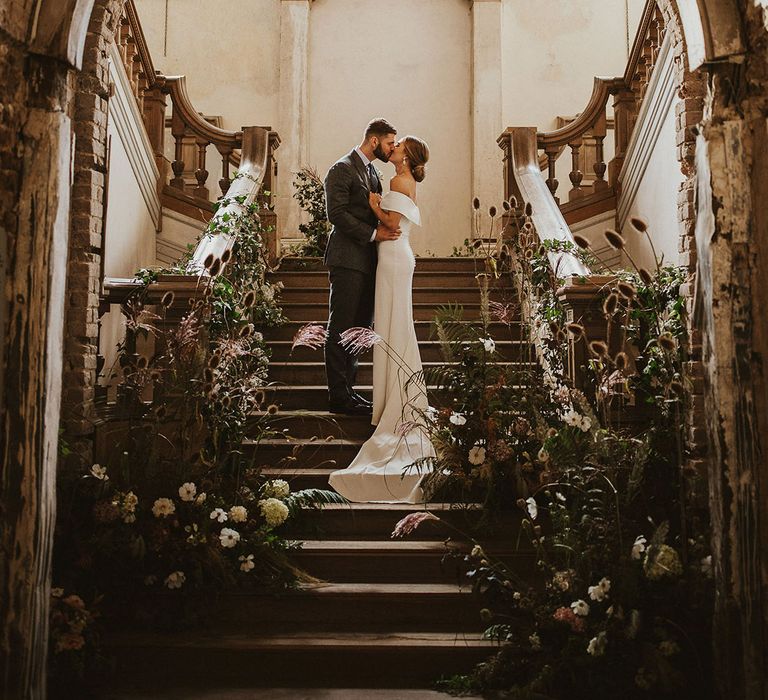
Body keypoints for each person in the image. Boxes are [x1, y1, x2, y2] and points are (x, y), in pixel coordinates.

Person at [329, 135, 435, 504]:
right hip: (390, 257)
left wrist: (375, 207)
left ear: (406, 156)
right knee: (391, 326)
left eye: (399, 145)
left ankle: (395, 399)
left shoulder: (396, 181)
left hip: (393, 257)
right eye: (394, 143)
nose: (394, 149)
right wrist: (377, 210)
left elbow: (391, 221)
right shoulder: (394, 179)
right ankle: (392, 394)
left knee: (393, 326)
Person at [323, 118, 401, 416]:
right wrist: (374, 234)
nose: (392, 148)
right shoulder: (341, 169)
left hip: (369, 261)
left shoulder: (372, 172)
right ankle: (337, 397)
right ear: (374, 141)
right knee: (340, 327)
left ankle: (350, 393)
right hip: (346, 260)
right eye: (390, 143)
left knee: (357, 330)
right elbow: (337, 214)